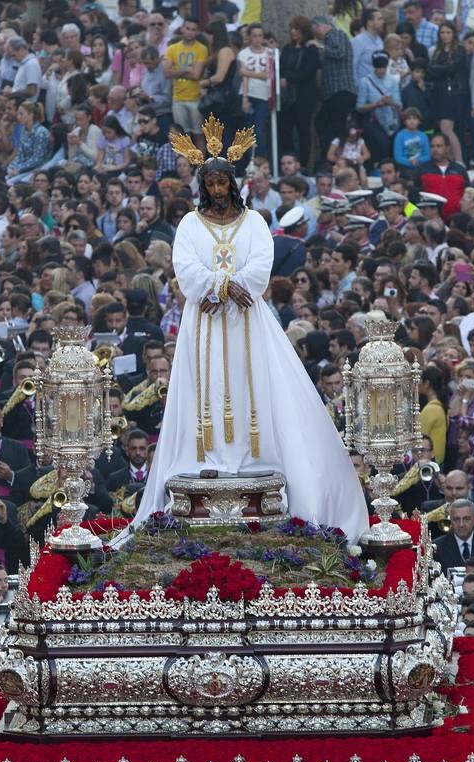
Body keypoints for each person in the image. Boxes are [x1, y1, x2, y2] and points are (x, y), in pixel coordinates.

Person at [124, 119, 368, 545]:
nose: (218, 190)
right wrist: (220, 284)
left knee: (251, 383)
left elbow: (261, 261)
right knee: (208, 386)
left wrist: (239, 285)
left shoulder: (253, 220)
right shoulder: (189, 224)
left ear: (232, 183)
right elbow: (185, 268)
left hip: (246, 318)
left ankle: (253, 455)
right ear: (204, 185)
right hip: (205, 320)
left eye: (223, 182)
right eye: (211, 183)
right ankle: (210, 455)